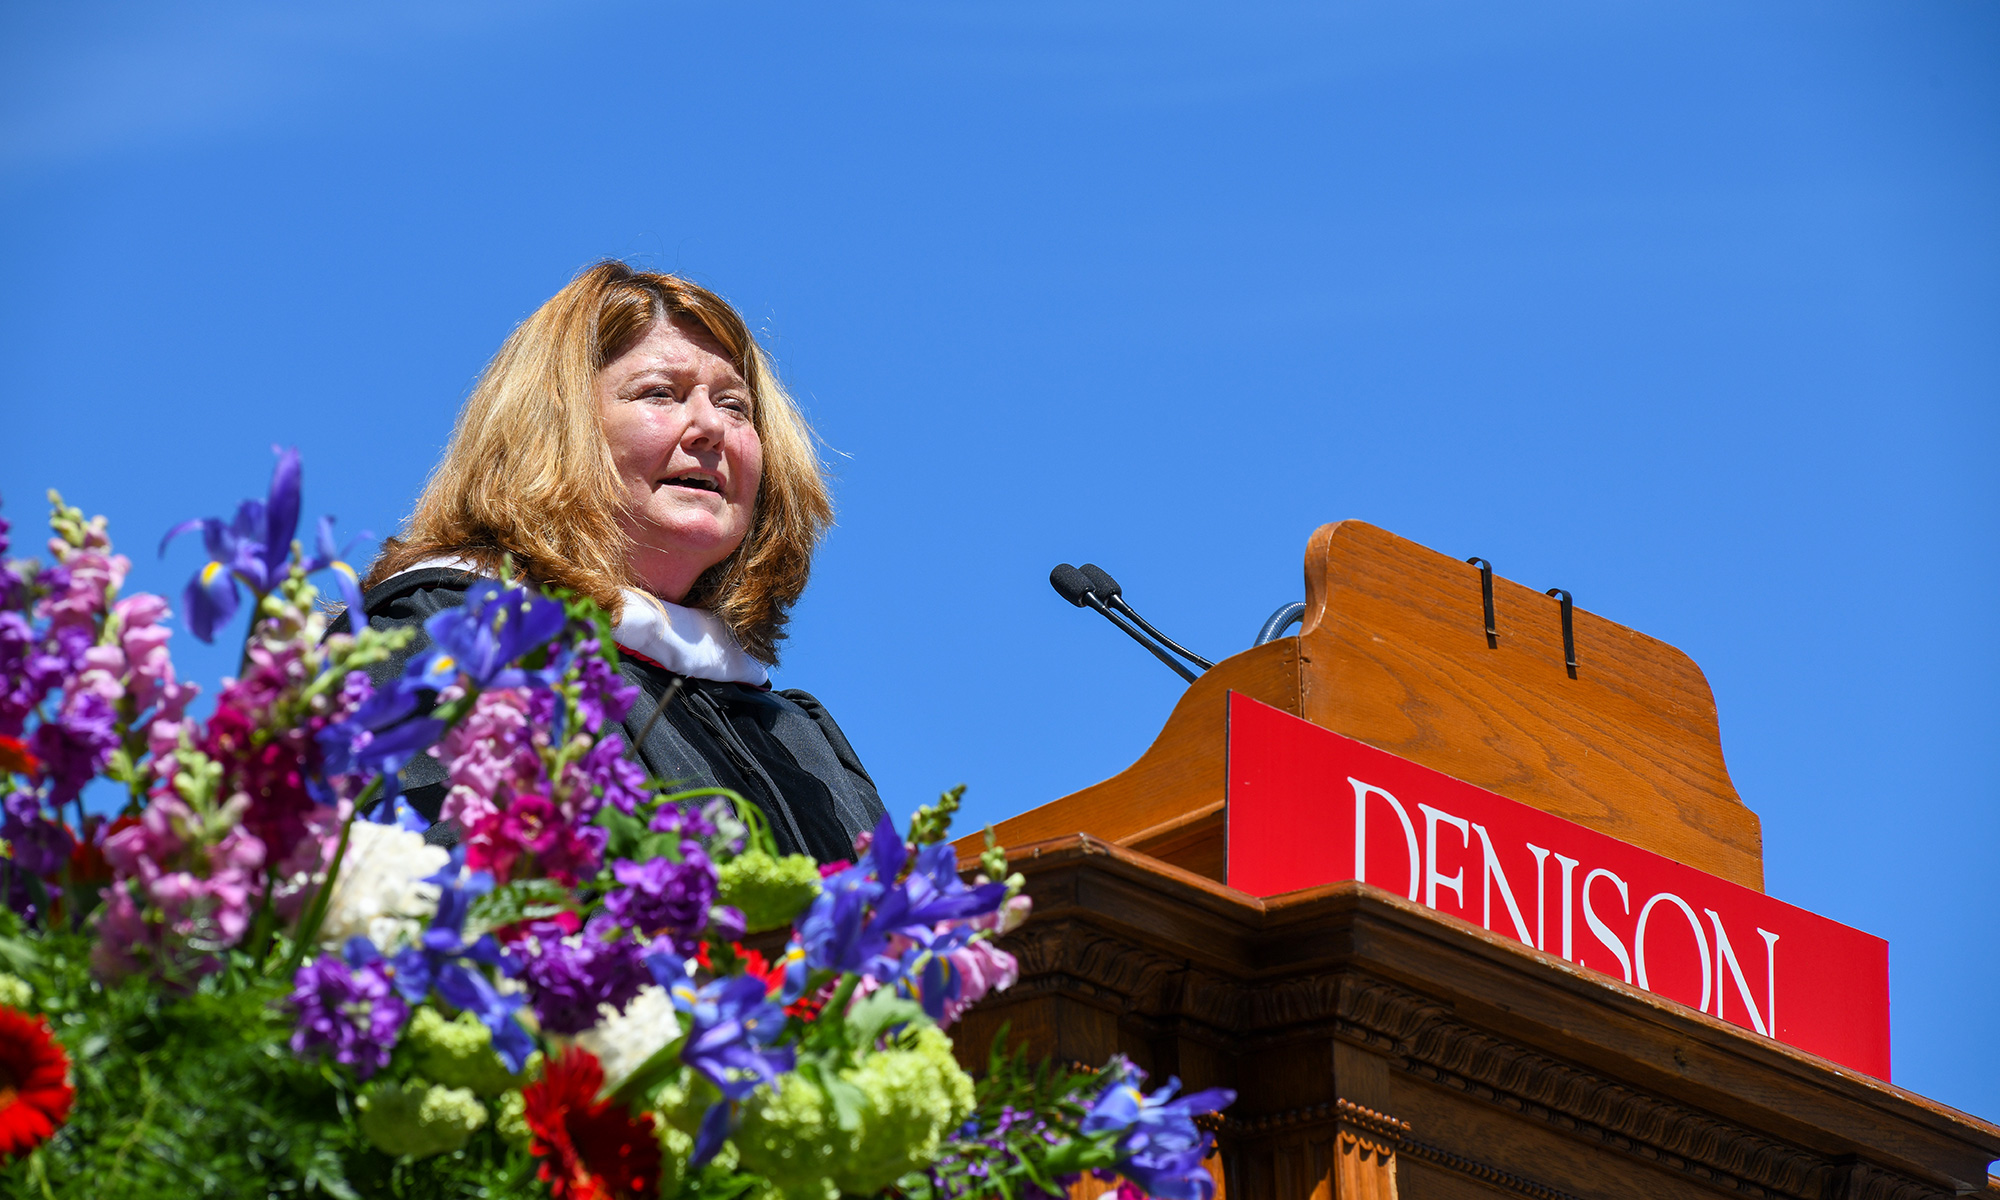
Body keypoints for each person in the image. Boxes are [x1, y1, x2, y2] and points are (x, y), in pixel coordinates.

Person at [341, 261, 884, 862]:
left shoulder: (798, 738)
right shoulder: (438, 636)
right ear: (553, 429)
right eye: (660, 393)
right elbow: (430, 904)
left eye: (735, 405)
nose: (710, 427)